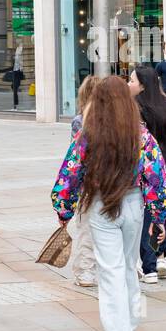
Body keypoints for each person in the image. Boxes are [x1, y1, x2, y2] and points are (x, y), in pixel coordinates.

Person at [52, 75, 166, 331]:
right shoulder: (141, 135)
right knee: (129, 267)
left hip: (101, 204)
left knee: (111, 272)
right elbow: (158, 177)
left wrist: (64, 209)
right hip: (133, 204)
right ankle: (127, 330)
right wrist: (159, 215)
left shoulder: (88, 135)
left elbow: (69, 174)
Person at [129, 65, 166, 282]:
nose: (129, 84)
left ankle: (151, 264)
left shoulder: (136, 108)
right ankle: (161, 254)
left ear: (143, 85)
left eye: (132, 81)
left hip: (147, 169)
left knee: (149, 218)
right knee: (159, 212)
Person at [67, 76, 102, 288]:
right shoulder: (117, 120)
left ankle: (86, 271)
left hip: (88, 183)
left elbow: (75, 159)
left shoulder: (79, 121)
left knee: (86, 228)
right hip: (114, 183)